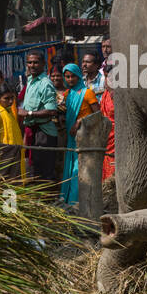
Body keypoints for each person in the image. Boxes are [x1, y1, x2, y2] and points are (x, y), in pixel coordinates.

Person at [58, 63, 99, 206]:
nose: (70, 79)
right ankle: (68, 199)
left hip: (84, 136)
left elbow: (98, 114)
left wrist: (80, 121)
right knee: (70, 165)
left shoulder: (87, 93)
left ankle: (79, 199)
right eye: (67, 77)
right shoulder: (67, 94)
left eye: (73, 76)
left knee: (80, 167)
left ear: (78, 76)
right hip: (71, 136)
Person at [18, 50, 60, 184]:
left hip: (44, 133)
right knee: (34, 169)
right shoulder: (30, 80)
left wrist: (29, 113)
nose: (32, 65)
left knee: (45, 172)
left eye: (36, 62)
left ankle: (47, 201)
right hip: (32, 131)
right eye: (29, 62)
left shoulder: (45, 83)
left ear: (43, 64)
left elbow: (52, 110)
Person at [0, 82, 25, 180]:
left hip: (14, 153)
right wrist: (2, 159)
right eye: (6, 98)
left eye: (12, 98)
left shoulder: (9, 112)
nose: (11, 101)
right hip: (5, 156)